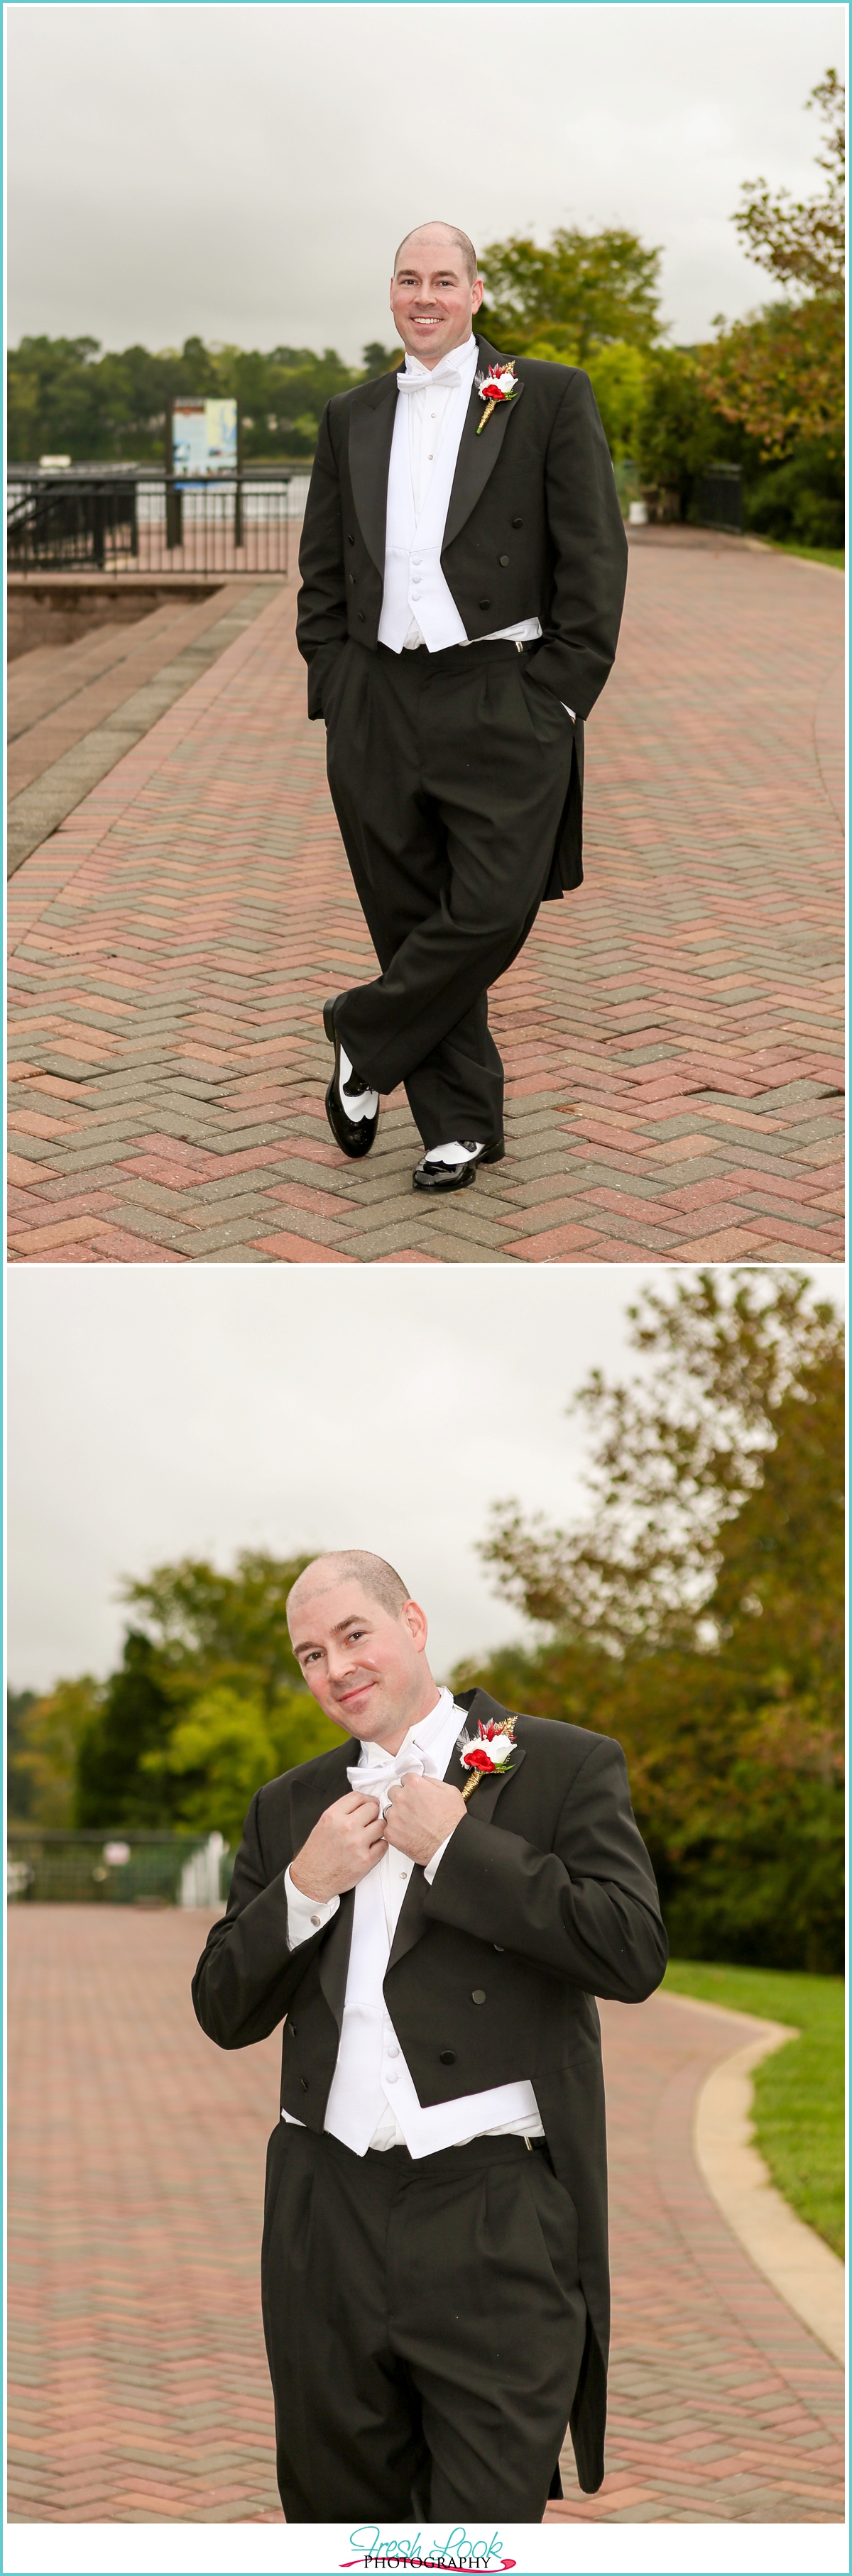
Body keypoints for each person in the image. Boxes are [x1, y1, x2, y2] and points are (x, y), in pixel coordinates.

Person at [192, 1549, 667, 2522]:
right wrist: (304, 1886)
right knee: (338, 2522)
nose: (335, 1668)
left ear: (412, 1623)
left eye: (353, 1635)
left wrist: (461, 1845)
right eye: (310, 1654)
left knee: (482, 2532)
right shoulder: (287, 1806)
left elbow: (631, 1952)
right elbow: (222, 2007)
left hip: (493, 2214)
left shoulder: (563, 1763)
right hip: (324, 2212)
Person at [295, 221, 628, 1195]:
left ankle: (364, 1032)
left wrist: (561, 695)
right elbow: (322, 568)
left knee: (493, 905)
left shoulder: (548, 395)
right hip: (377, 695)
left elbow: (595, 555)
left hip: (501, 691)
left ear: (477, 293)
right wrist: (334, 679)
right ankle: (459, 1127)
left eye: (445, 280)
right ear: (390, 294)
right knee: (408, 918)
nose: (425, 296)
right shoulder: (348, 413)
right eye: (409, 280)